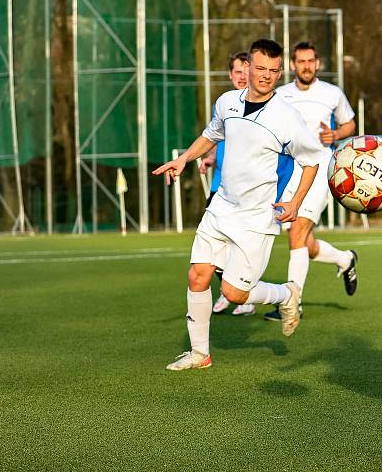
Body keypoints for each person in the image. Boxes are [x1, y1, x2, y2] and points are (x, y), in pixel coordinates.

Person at [152, 39, 324, 371]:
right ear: (247, 67)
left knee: (234, 294)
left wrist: (294, 201)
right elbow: (211, 134)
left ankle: (286, 294)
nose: (267, 76)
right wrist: (186, 158)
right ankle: (200, 353)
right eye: (261, 68)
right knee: (197, 276)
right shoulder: (227, 102)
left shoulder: (286, 116)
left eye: (274, 71)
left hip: (256, 218)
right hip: (221, 208)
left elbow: (312, 161)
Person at [263, 41, 359, 323]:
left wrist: (335, 134)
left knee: (297, 234)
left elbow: (350, 125)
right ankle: (345, 260)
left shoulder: (332, 93)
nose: (306, 66)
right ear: (293, 65)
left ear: (317, 63)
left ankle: (293, 303)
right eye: (301, 61)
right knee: (305, 241)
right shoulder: (279, 95)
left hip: (318, 171)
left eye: (311, 61)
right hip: (288, 172)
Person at [197, 52, 258, 317]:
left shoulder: (261, 106)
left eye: (246, 71)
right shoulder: (224, 104)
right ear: (230, 75)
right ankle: (228, 292)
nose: (242, 76)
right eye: (237, 71)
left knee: (238, 247)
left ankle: (245, 295)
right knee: (212, 248)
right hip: (219, 187)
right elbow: (219, 137)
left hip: (246, 190)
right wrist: (210, 158)